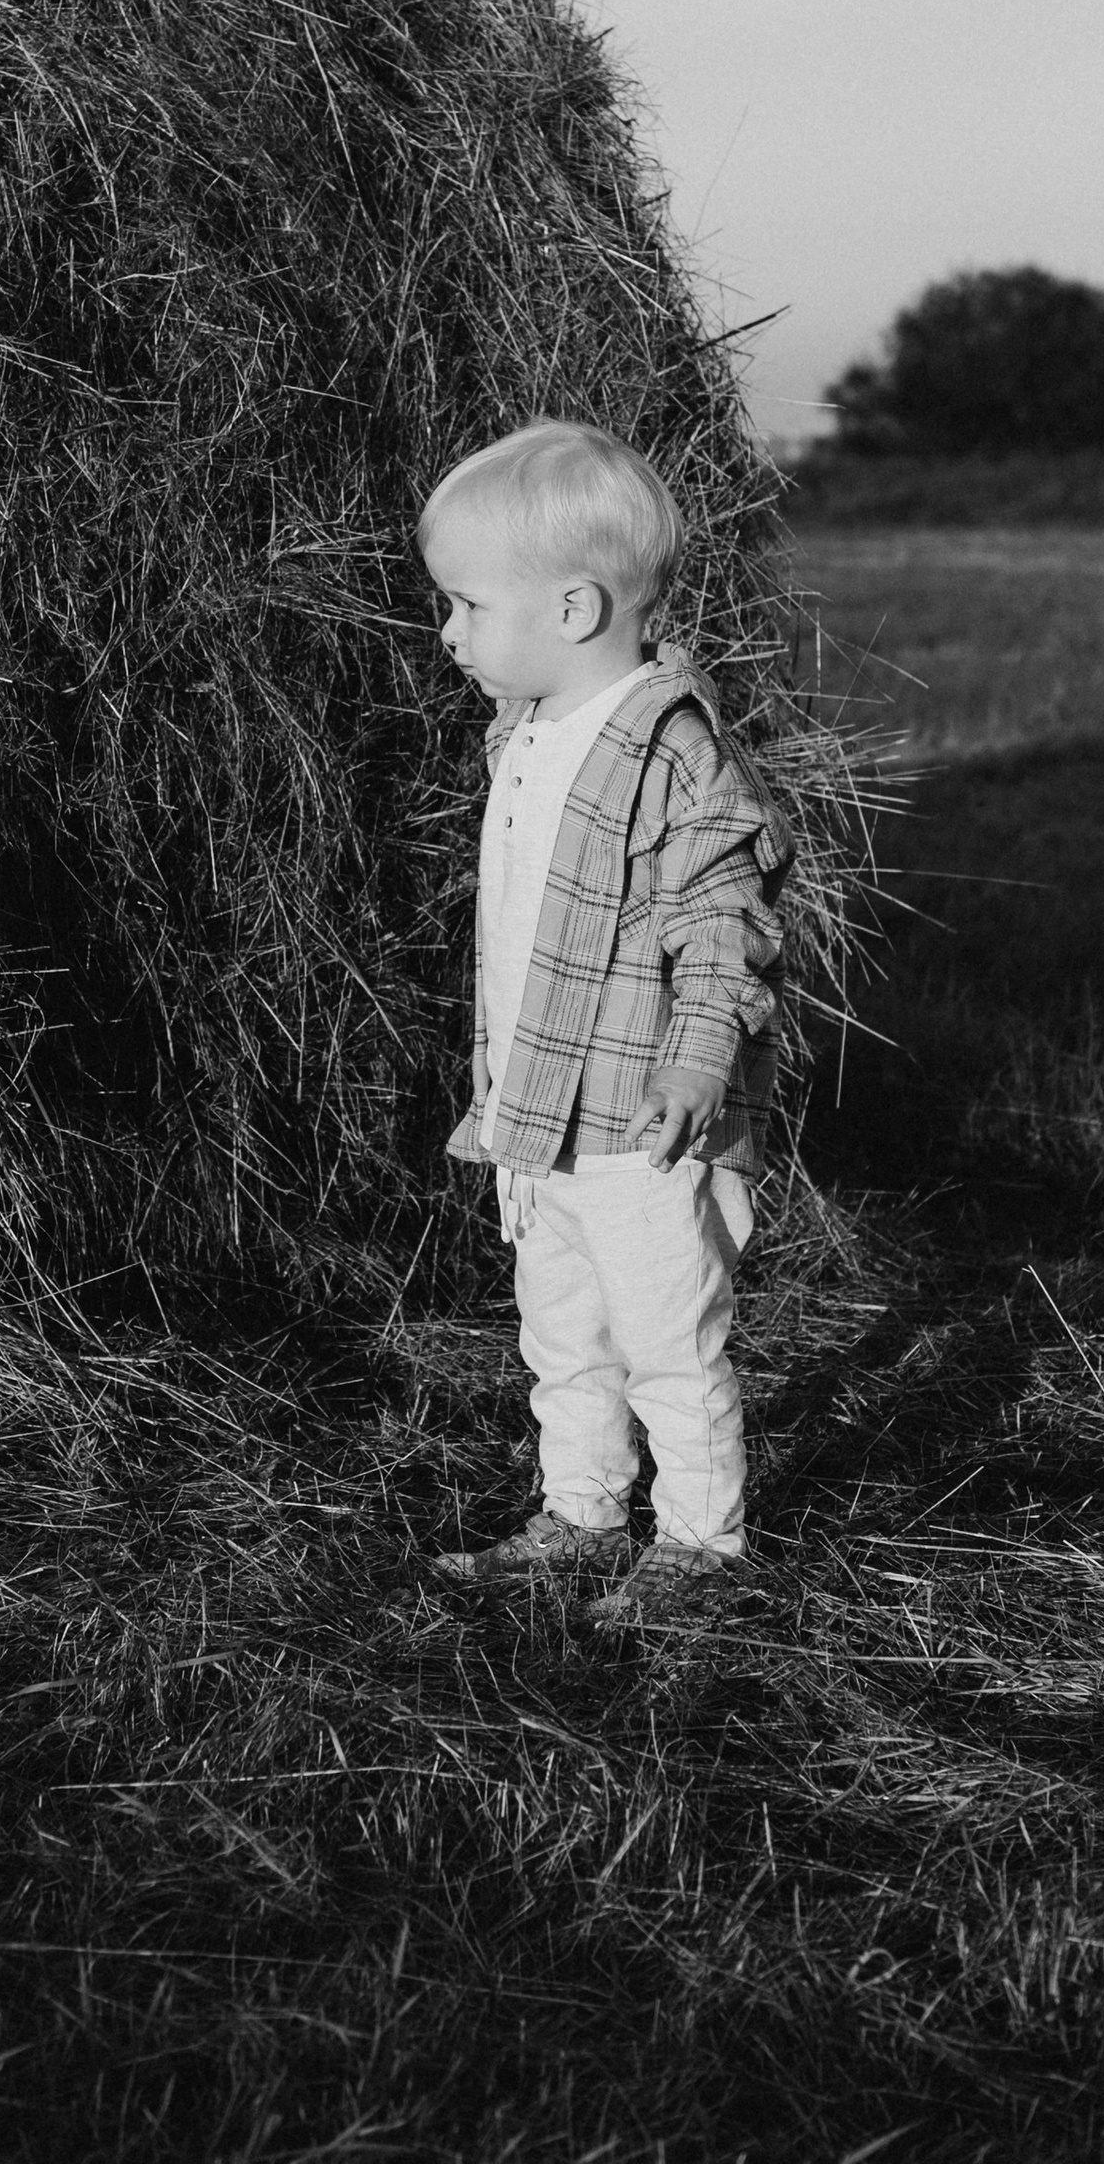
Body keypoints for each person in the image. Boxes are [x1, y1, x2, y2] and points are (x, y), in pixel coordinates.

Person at [419, 421, 787, 1619]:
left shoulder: (673, 758)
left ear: (572, 609)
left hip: (638, 1115)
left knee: (670, 1345)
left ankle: (699, 1548)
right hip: (540, 1108)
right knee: (561, 1334)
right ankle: (580, 1513)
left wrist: (694, 1069)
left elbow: (721, 932)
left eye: (466, 606)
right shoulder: (529, 732)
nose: (450, 633)